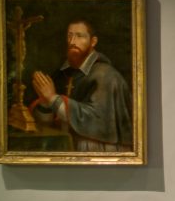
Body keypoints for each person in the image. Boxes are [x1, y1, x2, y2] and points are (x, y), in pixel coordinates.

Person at [30, 18, 134, 152]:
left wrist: (53, 99)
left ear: (93, 42)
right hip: (65, 147)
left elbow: (96, 121)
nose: (72, 41)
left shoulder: (106, 76)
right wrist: (45, 103)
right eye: (69, 36)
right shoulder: (62, 74)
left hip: (97, 148)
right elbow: (46, 123)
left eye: (80, 36)